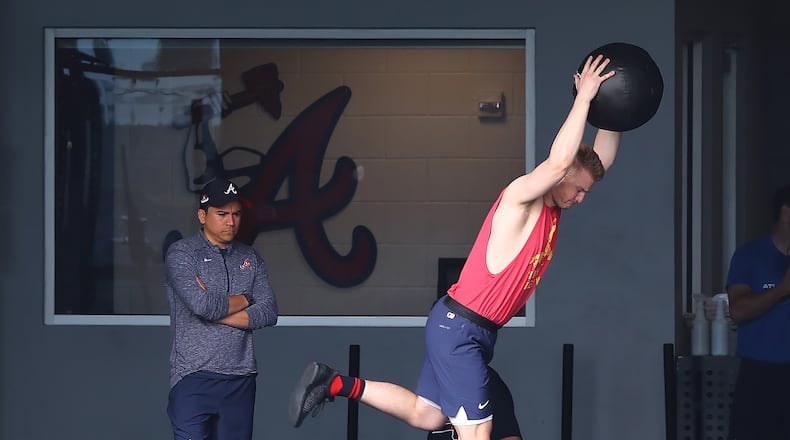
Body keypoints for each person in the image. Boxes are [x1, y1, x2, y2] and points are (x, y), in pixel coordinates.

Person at [288, 54, 622, 440]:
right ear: (562, 176)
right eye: (578, 188)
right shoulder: (522, 199)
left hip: (467, 329)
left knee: (426, 416)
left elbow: (602, 159)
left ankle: (333, 383)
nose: (580, 198)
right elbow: (559, 160)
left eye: (585, 192)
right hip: (460, 329)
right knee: (477, 434)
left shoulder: (556, 208)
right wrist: (583, 99)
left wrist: (614, 108)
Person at [165, 178, 279, 440]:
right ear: (202, 215)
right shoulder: (182, 254)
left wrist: (215, 310)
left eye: (236, 214)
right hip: (192, 376)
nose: (231, 221)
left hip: (240, 378)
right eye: (222, 214)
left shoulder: (250, 258)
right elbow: (201, 304)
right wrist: (246, 299)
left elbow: (269, 312)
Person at [725, 184, 790, 440]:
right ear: (786, 213)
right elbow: (738, 311)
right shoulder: (749, 255)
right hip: (760, 375)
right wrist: (782, 289)